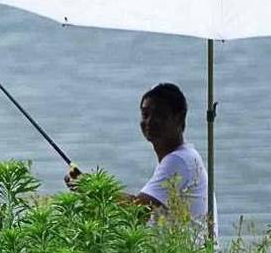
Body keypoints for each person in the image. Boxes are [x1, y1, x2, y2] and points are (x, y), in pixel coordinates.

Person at [65, 82, 210, 235]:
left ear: (179, 118)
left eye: (159, 115)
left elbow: (137, 211)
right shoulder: (184, 157)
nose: (150, 121)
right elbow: (140, 205)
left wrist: (91, 187)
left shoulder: (179, 161)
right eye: (145, 115)